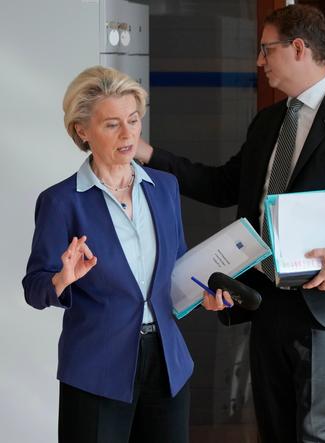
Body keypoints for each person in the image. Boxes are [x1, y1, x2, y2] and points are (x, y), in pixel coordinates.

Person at [134, 4, 325, 442]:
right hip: (268, 300)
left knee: (318, 431)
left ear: (299, 48)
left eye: (266, 49)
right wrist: (148, 156)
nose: (259, 60)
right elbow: (220, 185)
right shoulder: (269, 122)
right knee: (275, 429)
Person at [22, 66, 232, 443]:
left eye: (133, 120)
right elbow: (34, 287)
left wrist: (201, 296)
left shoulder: (164, 187)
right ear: (82, 131)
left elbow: (176, 269)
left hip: (168, 364)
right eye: (112, 125)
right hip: (96, 370)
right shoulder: (60, 201)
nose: (128, 134)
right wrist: (62, 279)